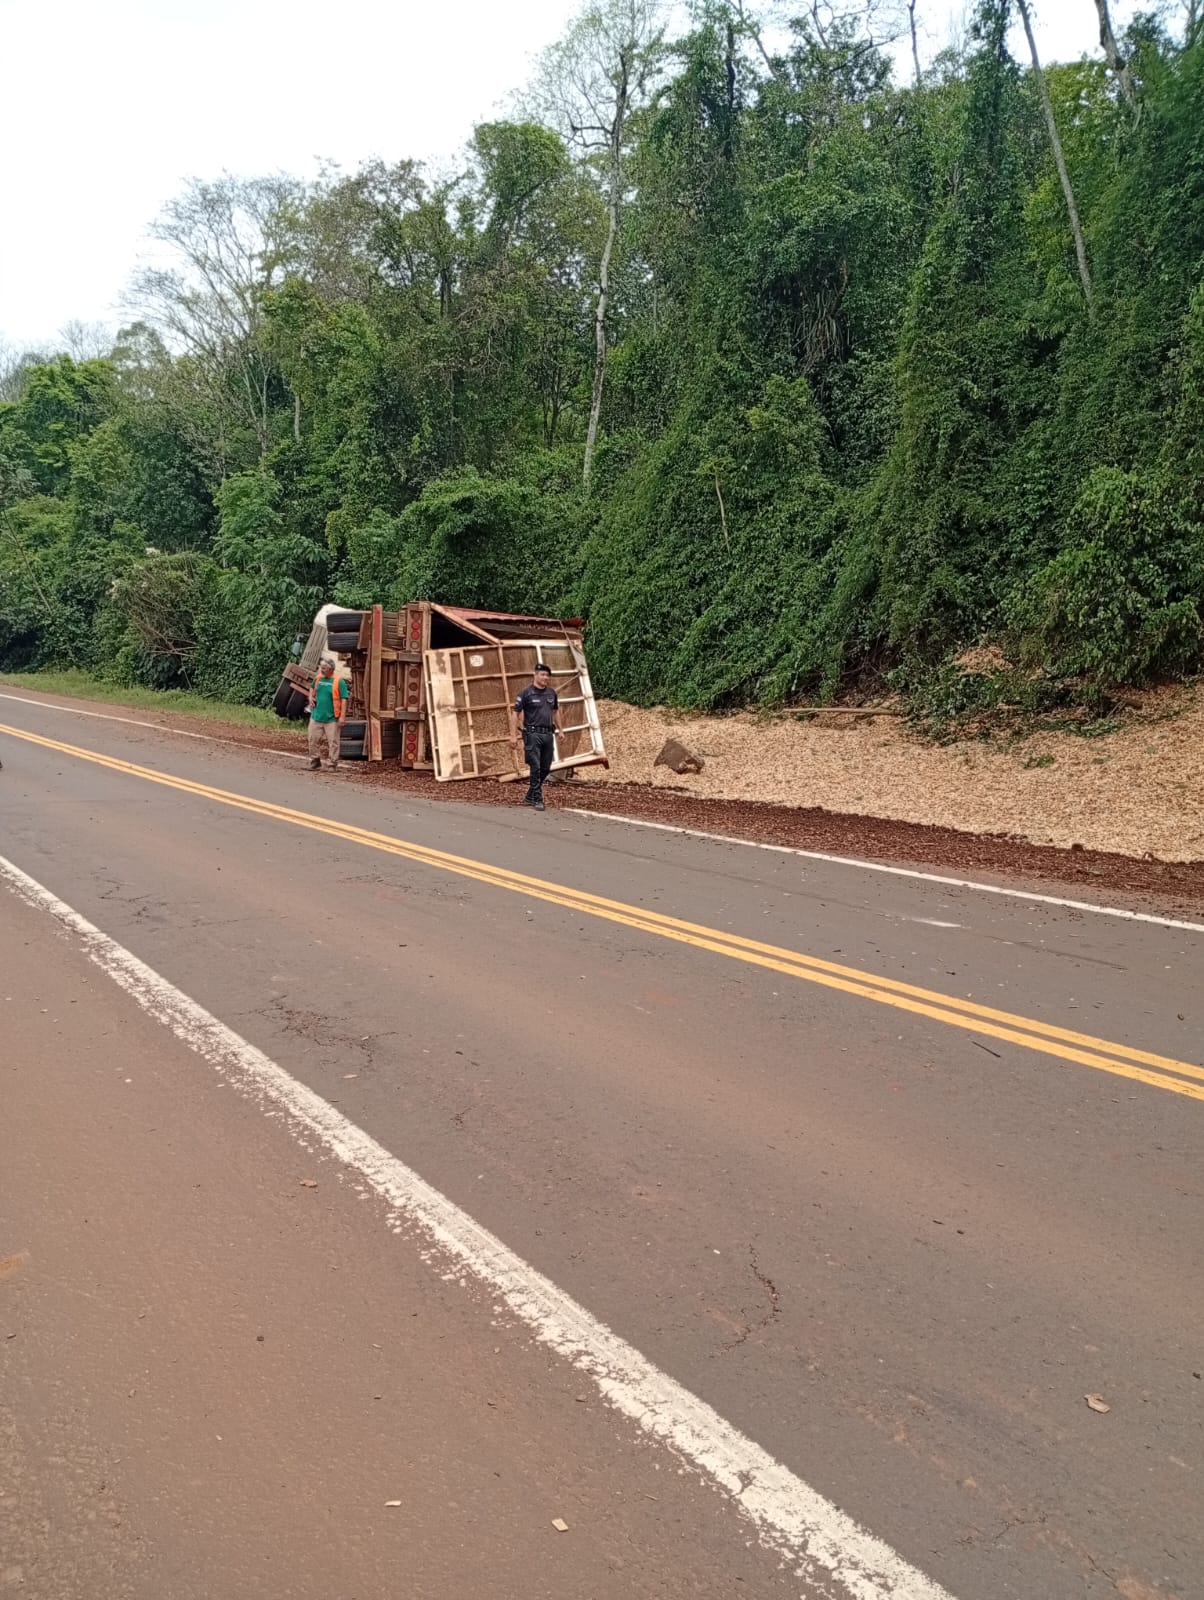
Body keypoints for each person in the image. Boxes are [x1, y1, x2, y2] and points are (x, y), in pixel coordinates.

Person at [509, 661, 562, 810]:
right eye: (542, 674)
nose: (545, 678)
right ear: (535, 675)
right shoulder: (526, 693)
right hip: (532, 734)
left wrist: (561, 730)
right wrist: (513, 735)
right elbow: (515, 714)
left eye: (547, 675)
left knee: (545, 767)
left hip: (547, 734)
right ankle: (537, 799)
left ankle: (530, 795)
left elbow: (555, 712)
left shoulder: (551, 693)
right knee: (536, 766)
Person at [307, 659, 348, 771]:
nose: (322, 670)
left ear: (331, 669)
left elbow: (344, 699)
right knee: (312, 739)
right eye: (321, 668)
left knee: (333, 742)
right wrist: (310, 697)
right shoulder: (318, 678)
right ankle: (315, 760)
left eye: (324, 668)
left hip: (332, 718)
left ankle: (332, 764)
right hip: (316, 716)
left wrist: (342, 717)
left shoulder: (339, 681)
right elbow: (311, 688)